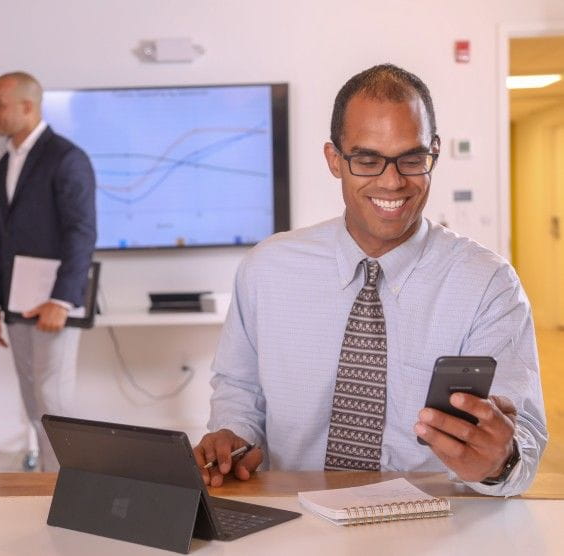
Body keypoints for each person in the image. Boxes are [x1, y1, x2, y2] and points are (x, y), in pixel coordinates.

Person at [194, 64, 547, 497]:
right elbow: (239, 387)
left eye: (412, 158)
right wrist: (234, 434)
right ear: (334, 160)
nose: (392, 181)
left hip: (437, 522)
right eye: (367, 160)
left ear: (434, 151)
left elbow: (522, 438)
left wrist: (499, 461)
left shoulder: (488, 284)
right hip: (296, 516)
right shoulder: (266, 268)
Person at [0, 71, 96, 471]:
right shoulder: (3, 167)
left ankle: (72, 494)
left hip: (54, 303)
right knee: (34, 403)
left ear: (27, 107)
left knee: (55, 401)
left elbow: (81, 232)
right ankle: (47, 491)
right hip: (15, 303)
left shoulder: (67, 158)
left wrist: (62, 299)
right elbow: (1, 235)